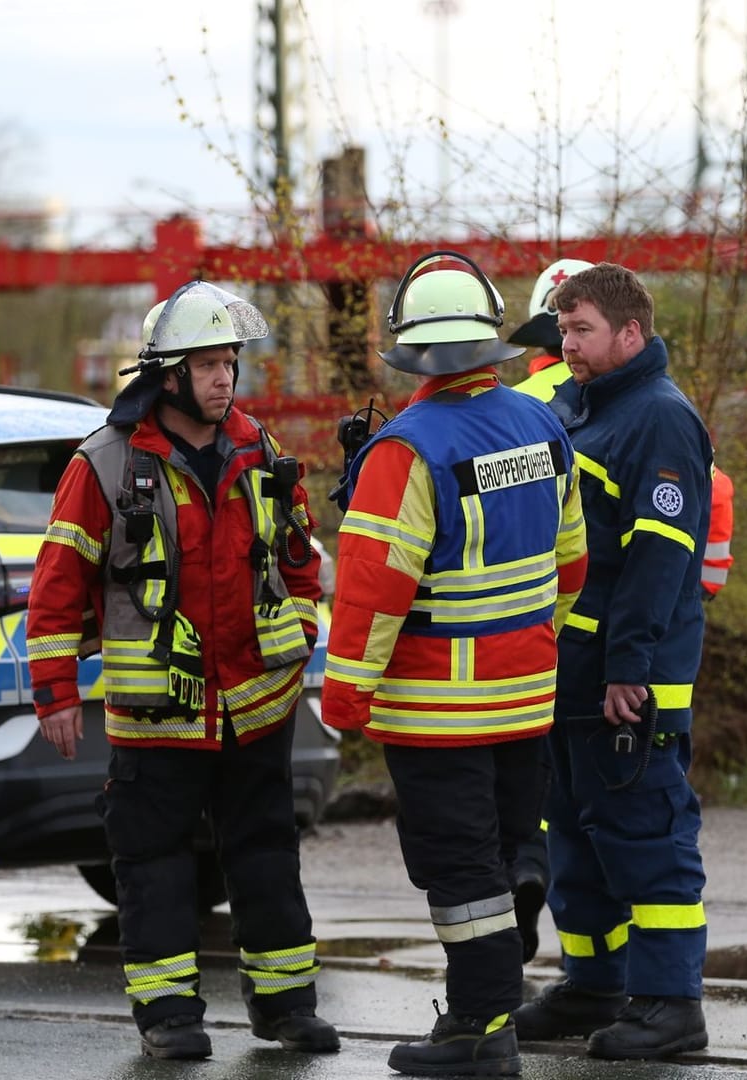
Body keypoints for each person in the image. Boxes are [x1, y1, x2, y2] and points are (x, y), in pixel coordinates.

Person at [24, 281, 339, 1060]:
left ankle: (287, 1006)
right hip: (158, 711)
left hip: (256, 703)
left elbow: (300, 560)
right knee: (153, 863)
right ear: (167, 375)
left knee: (267, 856)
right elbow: (57, 584)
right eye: (208, 365)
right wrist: (55, 692)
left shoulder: (259, 448)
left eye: (230, 362)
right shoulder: (101, 465)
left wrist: (299, 633)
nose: (225, 378)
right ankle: (169, 1017)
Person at [323, 251, 588, 1077]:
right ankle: (487, 1005)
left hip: (437, 712)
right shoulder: (542, 425)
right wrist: (532, 640)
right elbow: (571, 563)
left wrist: (345, 695)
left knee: (460, 869)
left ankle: (479, 1027)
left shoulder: (405, 450)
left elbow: (372, 590)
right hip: (525, 696)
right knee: (504, 851)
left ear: (413, 349)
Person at [507, 257, 735, 962]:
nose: (566, 344)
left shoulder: (658, 418)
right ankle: (592, 983)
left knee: (645, 838)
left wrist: (626, 667)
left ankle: (669, 1003)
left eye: (581, 330)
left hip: (630, 683)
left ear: (630, 334)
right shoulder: (589, 406)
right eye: (563, 330)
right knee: (575, 836)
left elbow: (657, 563)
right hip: (580, 674)